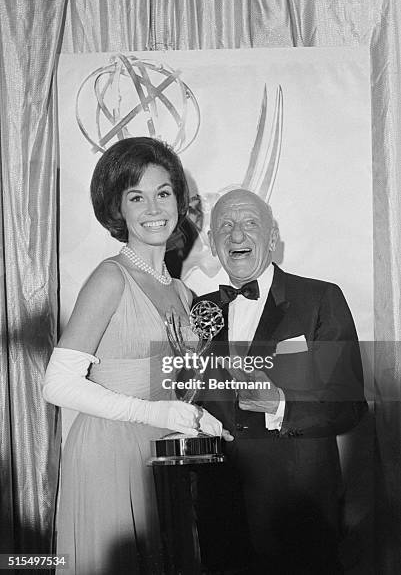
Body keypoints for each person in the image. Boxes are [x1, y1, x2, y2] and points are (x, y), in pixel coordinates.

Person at [42, 137, 229, 575]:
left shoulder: (181, 292)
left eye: (163, 193)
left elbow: (174, 384)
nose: (153, 208)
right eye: (136, 197)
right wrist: (152, 410)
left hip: (158, 454)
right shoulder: (110, 278)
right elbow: (57, 384)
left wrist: (198, 418)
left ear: (179, 202)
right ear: (117, 210)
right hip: (107, 450)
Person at [194, 188, 368, 574]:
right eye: (225, 226)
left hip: (298, 513)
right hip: (220, 512)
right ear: (212, 243)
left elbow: (349, 406)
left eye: (250, 223)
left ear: (273, 238)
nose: (236, 235)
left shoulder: (319, 298)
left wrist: (280, 403)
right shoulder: (199, 308)